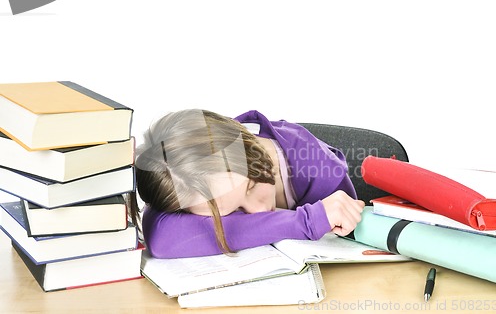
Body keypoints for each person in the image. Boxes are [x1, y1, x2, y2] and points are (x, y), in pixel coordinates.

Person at [129, 109, 365, 259]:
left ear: (250, 144)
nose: (258, 211)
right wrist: (305, 222)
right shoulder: (194, 171)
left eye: (251, 186)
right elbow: (161, 237)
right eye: (235, 212)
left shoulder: (322, 172)